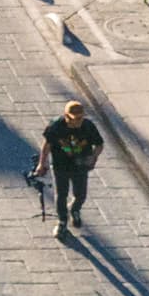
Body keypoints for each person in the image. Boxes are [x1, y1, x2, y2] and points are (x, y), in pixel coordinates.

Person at [40, 101, 102, 236]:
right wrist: (42, 163)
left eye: (81, 117)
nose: (79, 121)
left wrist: (93, 157)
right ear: (66, 116)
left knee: (81, 194)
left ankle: (74, 209)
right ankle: (62, 221)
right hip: (60, 165)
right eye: (76, 119)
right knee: (61, 194)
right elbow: (47, 145)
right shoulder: (56, 126)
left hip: (80, 165)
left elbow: (99, 144)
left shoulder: (88, 126)